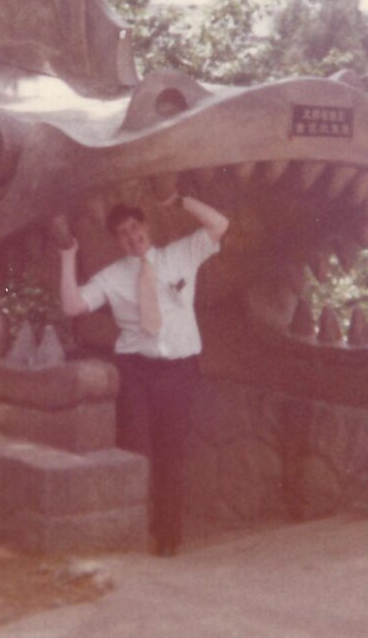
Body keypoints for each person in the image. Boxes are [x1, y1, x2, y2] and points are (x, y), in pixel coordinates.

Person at [59, 191, 229, 556]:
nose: (132, 237)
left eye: (135, 228)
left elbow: (220, 224)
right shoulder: (112, 277)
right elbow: (73, 305)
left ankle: (167, 536)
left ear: (145, 227)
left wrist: (181, 200)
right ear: (116, 241)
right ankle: (128, 529)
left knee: (171, 453)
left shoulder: (179, 255)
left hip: (180, 369)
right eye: (122, 234)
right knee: (135, 448)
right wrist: (67, 258)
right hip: (136, 369)